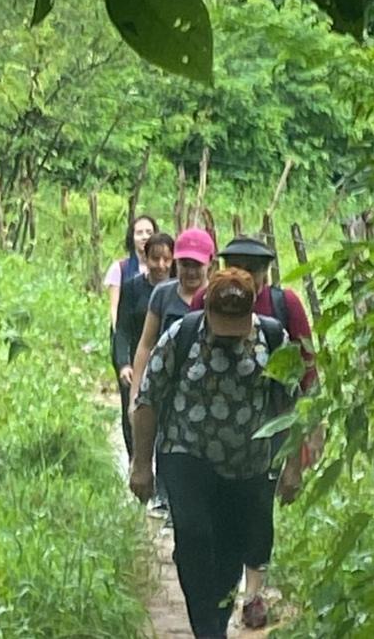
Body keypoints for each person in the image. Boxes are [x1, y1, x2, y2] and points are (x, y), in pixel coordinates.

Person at [129, 268, 303, 639]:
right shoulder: (182, 336)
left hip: (247, 466)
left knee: (230, 555)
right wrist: (141, 464)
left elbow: (290, 405)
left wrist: (293, 466)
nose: (229, 334)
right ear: (206, 309)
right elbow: (148, 401)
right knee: (192, 536)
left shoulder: (273, 340)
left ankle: (215, 625)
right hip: (186, 454)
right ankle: (208, 631)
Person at [190, 235, 320, 629]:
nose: (249, 278)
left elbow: (307, 370)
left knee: (259, 510)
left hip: (270, 426)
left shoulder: (286, 305)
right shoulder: (205, 302)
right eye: (240, 268)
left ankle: (254, 594)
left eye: (256, 271)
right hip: (214, 431)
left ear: (266, 274)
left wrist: (309, 435)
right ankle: (221, 589)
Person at [129, 227, 216, 519]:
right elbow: (146, 344)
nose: (190, 271)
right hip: (167, 385)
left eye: (197, 265)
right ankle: (168, 502)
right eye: (185, 264)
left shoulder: (218, 295)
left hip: (207, 390)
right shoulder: (163, 294)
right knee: (166, 441)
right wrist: (136, 392)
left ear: (210, 264)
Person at [112, 231, 175, 459]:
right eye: (155, 259)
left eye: (166, 259)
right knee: (134, 415)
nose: (161, 265)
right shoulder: (132, 288)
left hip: (169, 367)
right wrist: (123, 364)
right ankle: (135, 462)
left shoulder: (180, 291)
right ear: (146, 260)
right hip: (139, 365)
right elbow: (123, 330)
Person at [106, 215, 158, 331]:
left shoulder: (163, 269)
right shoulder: (119, 268)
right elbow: (114, 308)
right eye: (139, 233)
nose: (145, 237)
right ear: (132, 237)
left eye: (149, 232)